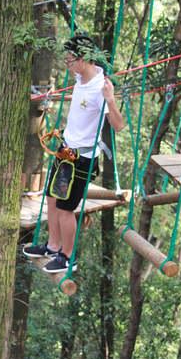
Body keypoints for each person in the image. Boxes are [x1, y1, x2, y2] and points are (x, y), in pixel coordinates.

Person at [23, 35, 125, 273]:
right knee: (51, 198)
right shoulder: (81, 77)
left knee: (66, 208)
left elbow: (118, 125)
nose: (67, 64)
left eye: (70, 60)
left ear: (84, 59)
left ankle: (68, 257)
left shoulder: (101, 88)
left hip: (82, 158)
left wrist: (110, 100)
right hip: (65, 152)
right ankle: (52, 245)